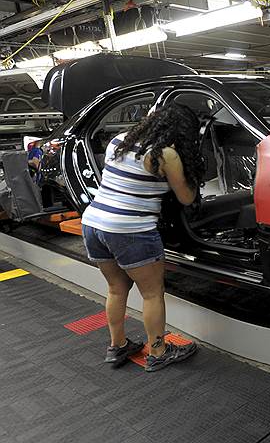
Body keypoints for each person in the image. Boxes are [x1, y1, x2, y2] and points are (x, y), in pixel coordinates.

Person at [81, 104, 203, 372]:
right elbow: (186, 197)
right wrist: (193, 169)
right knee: (152, 294)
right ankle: (158, 352)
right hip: (130, 229)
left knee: (116, 289)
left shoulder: (119, 141)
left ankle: (118, 346)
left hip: (94, 222)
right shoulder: (165, 154)